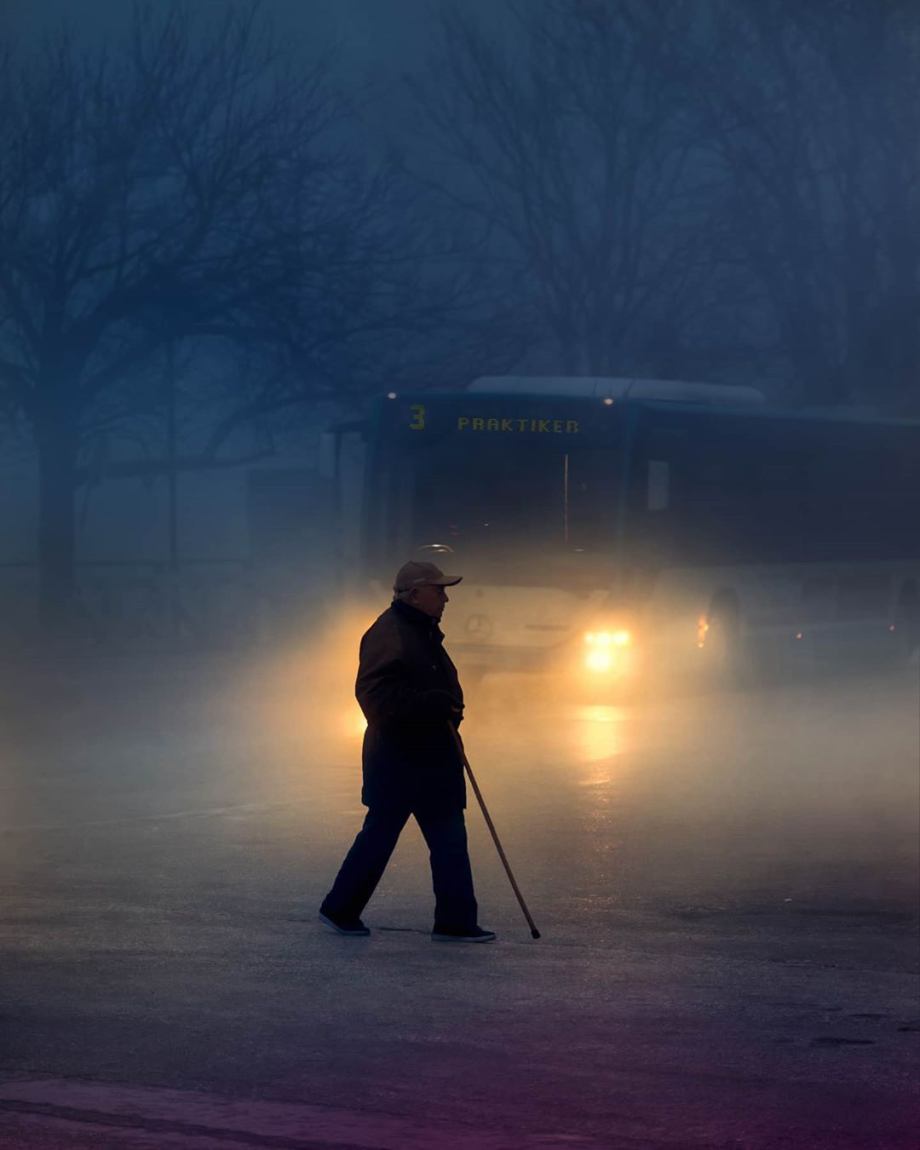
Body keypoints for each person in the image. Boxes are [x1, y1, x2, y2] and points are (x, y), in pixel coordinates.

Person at [319, 560, 495, 943]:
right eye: (439, 590)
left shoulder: (421, 630)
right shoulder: (390, 632)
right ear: (414, 594)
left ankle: (455, 921)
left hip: (431, 756)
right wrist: (430, 704)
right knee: (383, 836)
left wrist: (445, 707)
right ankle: (340, 909)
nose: (446, 598)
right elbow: (376, 698)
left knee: (446, 839)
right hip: (401, 759)